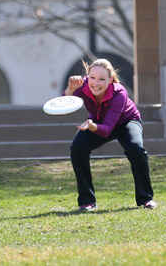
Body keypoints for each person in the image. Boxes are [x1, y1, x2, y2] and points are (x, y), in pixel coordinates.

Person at [65, 58, 156, 211]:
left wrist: (91, 125)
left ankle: (146, 198)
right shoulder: (84, 84)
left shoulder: (119, 93)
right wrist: (70, 89)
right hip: (98, 122)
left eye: (102, 79)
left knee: (135, 149)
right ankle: (87, 201)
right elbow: (62, 107)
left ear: (111, 79)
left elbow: (107, 130)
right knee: (78, 148)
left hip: (126, 122)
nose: (96, 83)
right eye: (92, 78)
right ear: (88, 76)